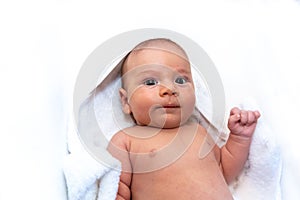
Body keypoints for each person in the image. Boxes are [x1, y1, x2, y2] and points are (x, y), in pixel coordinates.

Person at [107, 38, 260, 200]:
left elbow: (224, 172)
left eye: (180, 80)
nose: (170, 89)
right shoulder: (127, 141)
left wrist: (239, 138)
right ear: (125, 101)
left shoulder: (198, 132)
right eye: (151, 82)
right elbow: (116, 188)